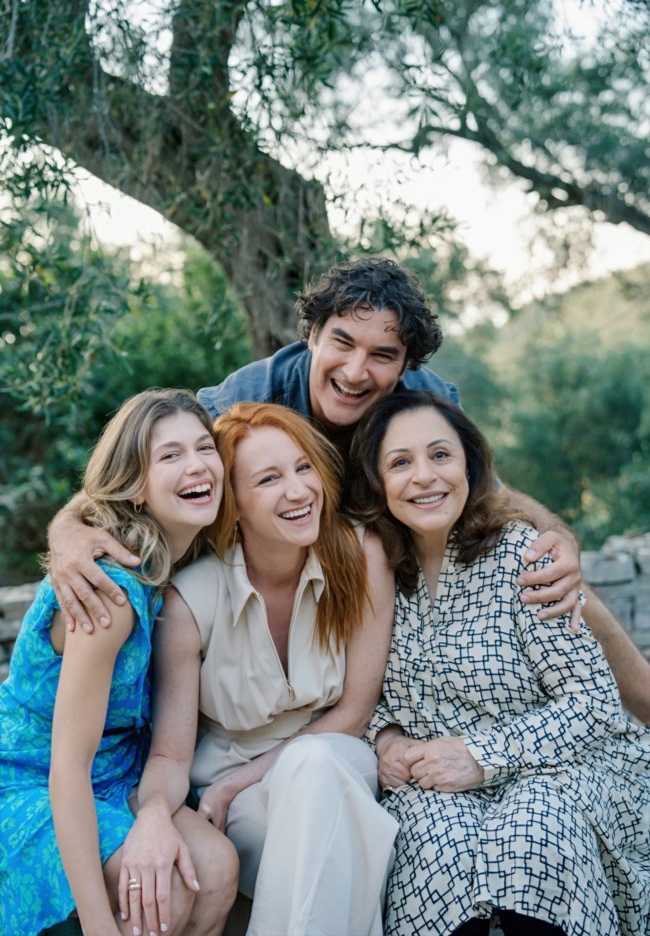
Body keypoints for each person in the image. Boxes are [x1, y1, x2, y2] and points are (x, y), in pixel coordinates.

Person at [47, 256, 650, 723]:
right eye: (342, 342)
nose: (358, 371)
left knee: (547, 571)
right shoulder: (248, 396)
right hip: (270, 579)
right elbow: (144, 470)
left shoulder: (427, 399)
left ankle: (642, 703)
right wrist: (70, 528)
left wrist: (557, 536)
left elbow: (489, 492)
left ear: (405, 363)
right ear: (311, 332)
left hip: (382, 554)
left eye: (382, 355)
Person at [348, 389, 650, 936]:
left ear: (470, 465)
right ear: (377, 483)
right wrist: (387, 740)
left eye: (441, 455)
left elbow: (595, 701)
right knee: (428, 833)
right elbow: (354, 694)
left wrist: (481, 755)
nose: (424, 477)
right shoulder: (378, 573)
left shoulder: (522, 554)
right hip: (439, 781)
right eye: (400, 462)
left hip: (559, 768)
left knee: (534, 828)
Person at [120, 401, 399, 936]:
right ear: (234, 502)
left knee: (315, 770)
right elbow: (171, 754)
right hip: (241, 797)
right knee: (329, 846)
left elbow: (356, 709)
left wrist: (239, 782)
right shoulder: (190, 602)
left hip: (338, 757)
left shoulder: (361, 555)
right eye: (268, 479)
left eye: (303, 468)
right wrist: (157, 813)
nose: (298, 491)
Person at [0, 389, 238, 936]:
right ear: (134, 484)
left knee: (218, 868)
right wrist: (101, 926)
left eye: (205, 448)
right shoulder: (109, 589)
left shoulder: (184, 559)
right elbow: (67, 768)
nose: (198, 464)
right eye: (170, 455)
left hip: (123, 773)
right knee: (161, 893)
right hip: (35, 776)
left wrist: (155, 814)